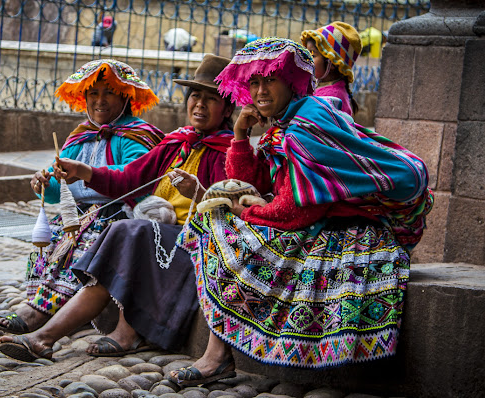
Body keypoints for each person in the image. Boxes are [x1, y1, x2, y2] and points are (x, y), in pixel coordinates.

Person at [169, 37, 433, 384]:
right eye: (254, 82)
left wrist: (244, 212)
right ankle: (217, 356)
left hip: (352, 230)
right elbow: (247, 182)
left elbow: (297, 212)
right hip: (318, 221)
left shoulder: (307, 124)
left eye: (269, 80)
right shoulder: (282, 123)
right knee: (218, 217)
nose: (260, 91)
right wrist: (239, 134)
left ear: (291, 81)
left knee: (218, 222)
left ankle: (216, 357)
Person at [0, 54, 236, 361]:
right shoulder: (177, 142)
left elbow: (227, 209)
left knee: (127, 230)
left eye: (211, 98)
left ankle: (125, 333)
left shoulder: (230, 152)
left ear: (227, 107)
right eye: (195, 97)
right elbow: (129, 178)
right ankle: (42, 335)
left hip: (192, 240)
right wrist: (83, 171)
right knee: (115, 238)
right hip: (157, 232)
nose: (200, 105)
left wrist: (198, 193)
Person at [0, 59, 164, 334]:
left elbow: (136, 179)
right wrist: (43, 182)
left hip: (115, 214)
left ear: (125, 97)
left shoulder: (138, 136)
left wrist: (88, 172)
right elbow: (55, 189)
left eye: (109, 92)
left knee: (84, 239)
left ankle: (42, 313)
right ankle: (39, 303)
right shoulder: (78, 137)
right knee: (50, 241)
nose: (100, 100)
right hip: (77, 214)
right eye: (93, 93)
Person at [301, 21, 362, 116]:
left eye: (313, 54)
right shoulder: (320, 89)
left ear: (332, 63)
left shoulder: (331, 98)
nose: (307, 58)